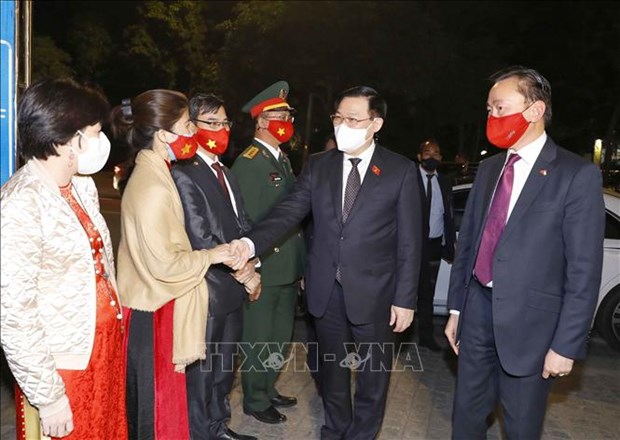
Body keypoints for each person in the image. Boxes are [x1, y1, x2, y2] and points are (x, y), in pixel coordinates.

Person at [231, 85, 423, 439]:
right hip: (326, 291)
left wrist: (405, 299)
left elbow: (410, 242)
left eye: (353, 119)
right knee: (331, 374)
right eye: (338, 117)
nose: (342, 125)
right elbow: (287, 212)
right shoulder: (320, 165)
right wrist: (248, 243)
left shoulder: (400, 170)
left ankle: (361, 435)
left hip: (377, 294)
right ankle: (335, 430)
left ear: (375, 123)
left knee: (372, 378)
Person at [444, 66, 605, 439]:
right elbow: (469, 244)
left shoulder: (575, 174)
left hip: (533, 329)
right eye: (489, 109)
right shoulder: (488, 169)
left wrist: (566, 344)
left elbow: (583, 269)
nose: (492, 116)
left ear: (534, 110)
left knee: (520, 427)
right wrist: (456, 309)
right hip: (477, 313)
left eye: (500, 107)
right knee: (465, 420)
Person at [0, 78, 127, 439]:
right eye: (95, 132)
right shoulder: (20, 204)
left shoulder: (81, 186)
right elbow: (14, 314)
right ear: (65, 138)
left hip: (101, 349)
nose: (102, 141)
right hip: (63, 368)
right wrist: (49, 396)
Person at [110, 89, 236, 440]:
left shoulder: (159, 172)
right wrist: (214, 255)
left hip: (158, 307)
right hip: (154, 316)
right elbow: (165, 264)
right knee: (155, 418)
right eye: (186, 126)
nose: (193, 133)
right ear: (164, 134)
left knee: (165, 414)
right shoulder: (151, 185)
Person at [171, 93, 260, 440]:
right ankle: (199, 432)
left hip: (232, 289)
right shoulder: (184, 173)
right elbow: (199, 236)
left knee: (224, 368)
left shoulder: (226, 170)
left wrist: (255, 263)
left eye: (225, 123)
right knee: (203, 373)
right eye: (213, 123)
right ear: (191, 127)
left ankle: (218, 426)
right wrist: (243, 271)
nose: (221, 130)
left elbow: (244, 223)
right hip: (206, 290)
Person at [230, 81, 306, 425]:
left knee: (279, 338)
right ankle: (255, 398)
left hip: (287, 266)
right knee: (259, 338)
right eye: (280, 115)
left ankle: (268, 386)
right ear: (261, 121)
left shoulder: (282, 159)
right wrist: (250, 267)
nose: (287, 120)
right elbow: (245, 222)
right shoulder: (250, 163)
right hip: (265, 267)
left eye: (288, 114)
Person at [415, 139, 456, 351]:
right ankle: (395, 338)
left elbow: (448, 215)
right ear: (419, 156)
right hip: (411, 246)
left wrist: (450, 244)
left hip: (433, 246)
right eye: (427, 152)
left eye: (436, 153)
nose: (431, 156)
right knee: (403, 290)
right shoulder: (410, 179)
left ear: (440, 158)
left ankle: (426, 337)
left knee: (427, 294)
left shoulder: (445, 182)